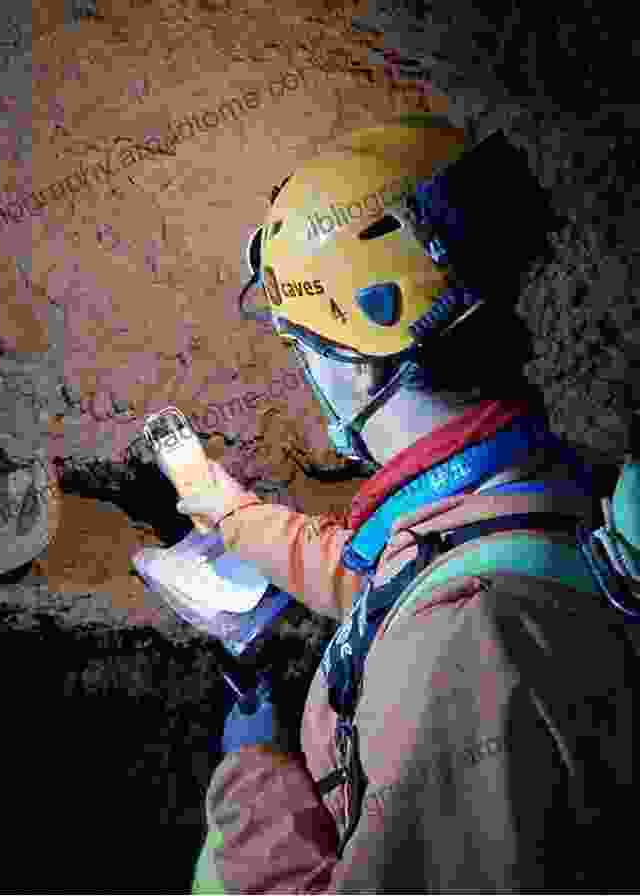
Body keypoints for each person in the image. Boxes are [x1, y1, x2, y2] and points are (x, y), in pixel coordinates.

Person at [185, 115, 640, 893]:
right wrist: (230, 512)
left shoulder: (470, 642)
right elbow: (394, 570)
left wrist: (253, 779)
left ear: (358, 366)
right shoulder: (526, 475)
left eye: (302, 345)